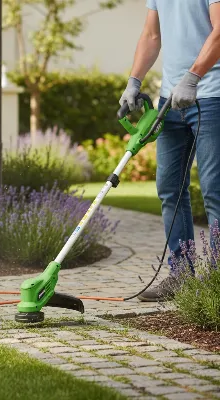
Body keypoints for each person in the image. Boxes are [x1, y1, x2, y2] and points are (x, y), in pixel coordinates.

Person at [119, 0, 220, 302]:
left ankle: (216, 280)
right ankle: (182, 276)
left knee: (215, 190)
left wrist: (193, 77)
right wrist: (133, 81)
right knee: (169, 189)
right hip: (170, 100)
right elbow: (152, 35)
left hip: (211, 95)